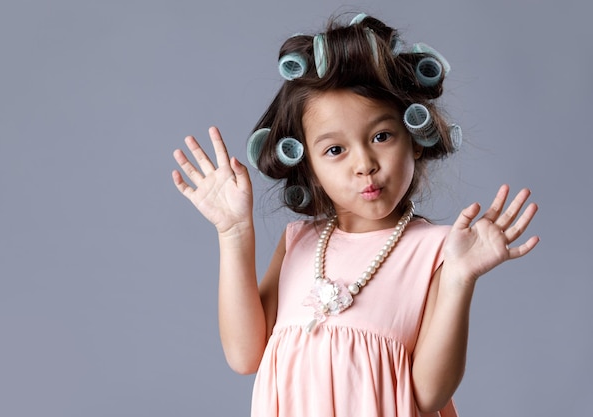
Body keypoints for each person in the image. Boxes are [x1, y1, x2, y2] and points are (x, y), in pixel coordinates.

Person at [171, 13, 539, 417]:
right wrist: (234, 232)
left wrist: (458, 279)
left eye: (382, 136)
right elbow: (245, 356)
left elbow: (429, 395)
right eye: (335, 150)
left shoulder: (439, 250)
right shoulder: (299, 242)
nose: (364, 164)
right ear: (308, 164)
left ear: (414, 139)